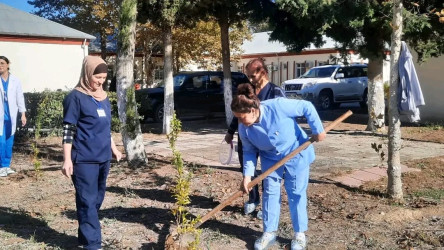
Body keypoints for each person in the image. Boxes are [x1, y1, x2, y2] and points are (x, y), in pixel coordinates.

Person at [231, 83, 326, 250]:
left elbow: (306, 106)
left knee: (296, 192)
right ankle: (269, 232)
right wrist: (247, 176)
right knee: (270, 193)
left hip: (296, 152)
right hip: (270, 159)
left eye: (241, 117)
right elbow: (248, 152)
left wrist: (318, 129)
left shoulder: (278, 106)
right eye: (237, 117)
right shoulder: (244, 128)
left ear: (252, 111)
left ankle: (299, 234)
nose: (239, 121)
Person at [62, 56, 122, 250]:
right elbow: (68, 130)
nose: (101, 82)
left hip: (103, 157)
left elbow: (105, 128)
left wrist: (114, 148)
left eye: (104, 78)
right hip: (84, 159)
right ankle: (93, 244)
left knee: (96, 199)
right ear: (88, 74)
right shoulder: (75, 97)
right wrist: (66, 159)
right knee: (88, 200)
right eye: (98, 78)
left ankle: (84, 237)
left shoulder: (103, 97)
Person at [225, 58, 285, 216]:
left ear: (263, 73)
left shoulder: (275, 92)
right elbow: (238, 112)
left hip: (267, 140)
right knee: (246, 167)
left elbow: (283, 118)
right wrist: (231, 131)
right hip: (247, 137)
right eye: (248, 77)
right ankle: (253, 199)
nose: (250, 80)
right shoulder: (247, 91)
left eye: (253, 76)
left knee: (267, 171)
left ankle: (267, 202)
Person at [0, 56, 26, 177]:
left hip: (10, 116)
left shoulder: (15, 80)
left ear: (8, 65)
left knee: (9, 142)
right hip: (0, 117)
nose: (0, 65)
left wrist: (23, 114)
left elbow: (20, 98)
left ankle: (6, 166)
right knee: (1, 142)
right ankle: (1, 167)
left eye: (2, 63)